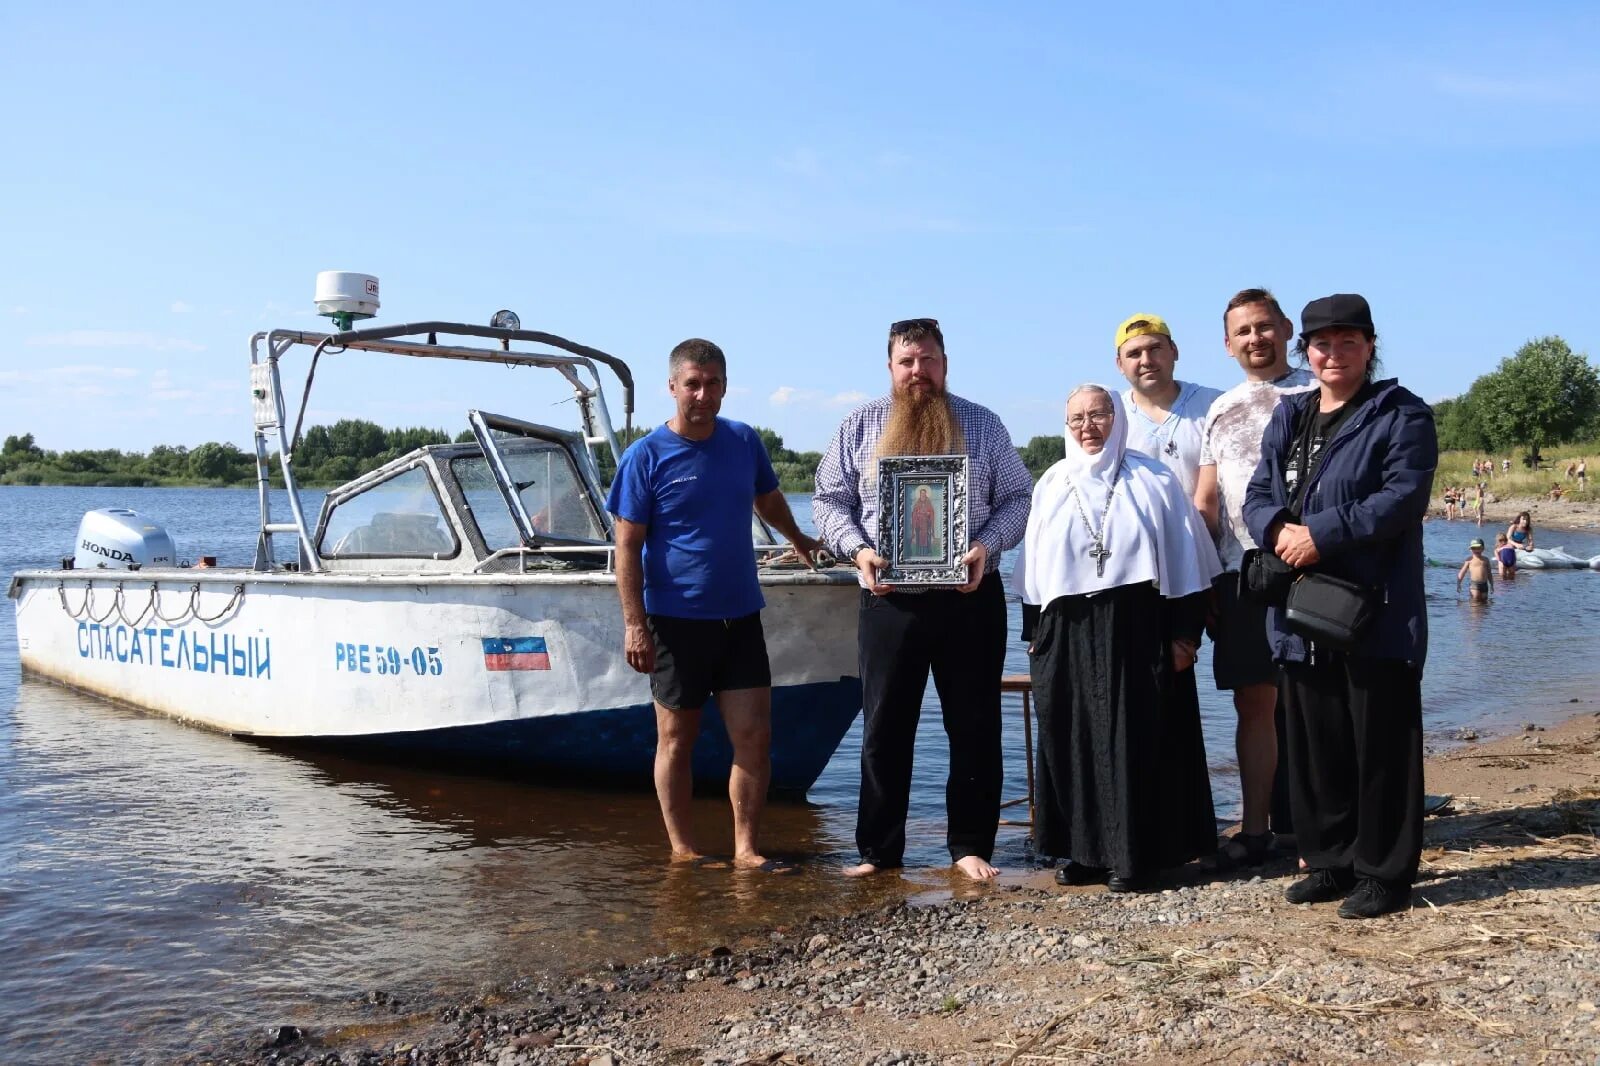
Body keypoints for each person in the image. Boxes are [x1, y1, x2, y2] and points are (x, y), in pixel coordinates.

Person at [813, 317, 1033, 882]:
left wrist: (986, 545)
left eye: (928, 360)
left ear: (945, 362)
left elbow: (1018, 499)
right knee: (885, 727)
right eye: (907, 362)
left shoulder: (983, 425)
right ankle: (878, 851)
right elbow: (828, 501)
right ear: (890, 367)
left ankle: (969, 846)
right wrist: (857, 550)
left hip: (970, 597)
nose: (918, 372)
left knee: (975, 725)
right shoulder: (858, 426)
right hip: (889, 599)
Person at [1243, 293, 1437, 919]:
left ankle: (1384, 874)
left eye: (1348, 341)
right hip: (1302, 611)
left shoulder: (1401, 413)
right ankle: (1330, 861)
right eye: (1321, 343)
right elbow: (1258, 490)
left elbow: (1401, 498)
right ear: (1307, 351)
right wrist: (1276, 531)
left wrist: (1318, 534)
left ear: (1370, 346)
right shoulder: (1290, 416)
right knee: (1315, 740)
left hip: (1375, 609)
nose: (1334, 353)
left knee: (1380, 743)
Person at [607, 338, 820, 871]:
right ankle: (683, 850)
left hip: (740, 616)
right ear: (673, 387)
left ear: (725, 385)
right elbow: (626, 547)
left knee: (753, 735)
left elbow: (766, 497)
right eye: (692, 384)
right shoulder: (645, 457)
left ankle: (747, 848)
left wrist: (797, 537)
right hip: (676, 622)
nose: (703, 395)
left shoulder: (743, 441)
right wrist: (635, 625)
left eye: (713, 384)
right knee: (676, 740)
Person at [1014, 385, 1222, 892]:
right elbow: (1031, 569)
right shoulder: (1052, 482)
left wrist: (1185, 636)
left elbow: (1188, 561)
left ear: (1118, 418)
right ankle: (1084, 853)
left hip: (1139, 625)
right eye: (1077, 418)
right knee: (1072, 739)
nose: (1088, 426)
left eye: (1099, 414)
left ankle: (1139, 858)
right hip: (1066, 631)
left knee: (1138, 738)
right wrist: (1034, 636)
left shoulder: (1154, 478)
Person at [1193, 288, 1315, 868]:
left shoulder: (1319, 389)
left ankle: (1318, 826)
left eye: (1264, 327)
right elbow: (1208, 499)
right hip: (1238, 571)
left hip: (1308, 562)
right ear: (1227, 344)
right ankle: (1257, 828)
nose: (1255, 339)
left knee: (1315, 697)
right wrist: (1203, 578)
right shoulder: (1221, 408)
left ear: (1287, 328)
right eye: (1243, 331)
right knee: (1254, 702)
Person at [1108, 314, 1222, 500]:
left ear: (1174, 351)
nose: (1146, 360)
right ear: (1120, 364)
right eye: (1134, 354)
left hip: (1210, 528)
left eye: (1155, 349)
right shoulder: (1112, 419)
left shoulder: (1215, 405)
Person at [910, 486, 936, 555]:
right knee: (919, 539)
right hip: (919, 526)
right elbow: (914, 513)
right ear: (920, 494)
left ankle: (927, 552)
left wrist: (928, 514)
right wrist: (917, 514)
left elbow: (932, 512)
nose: (923, 495)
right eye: (921, 494)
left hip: (927, 524)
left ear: (926, 494)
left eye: (924, 494)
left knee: (927, 539)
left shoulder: (928, 502)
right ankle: (918, 553)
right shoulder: (917, 503)